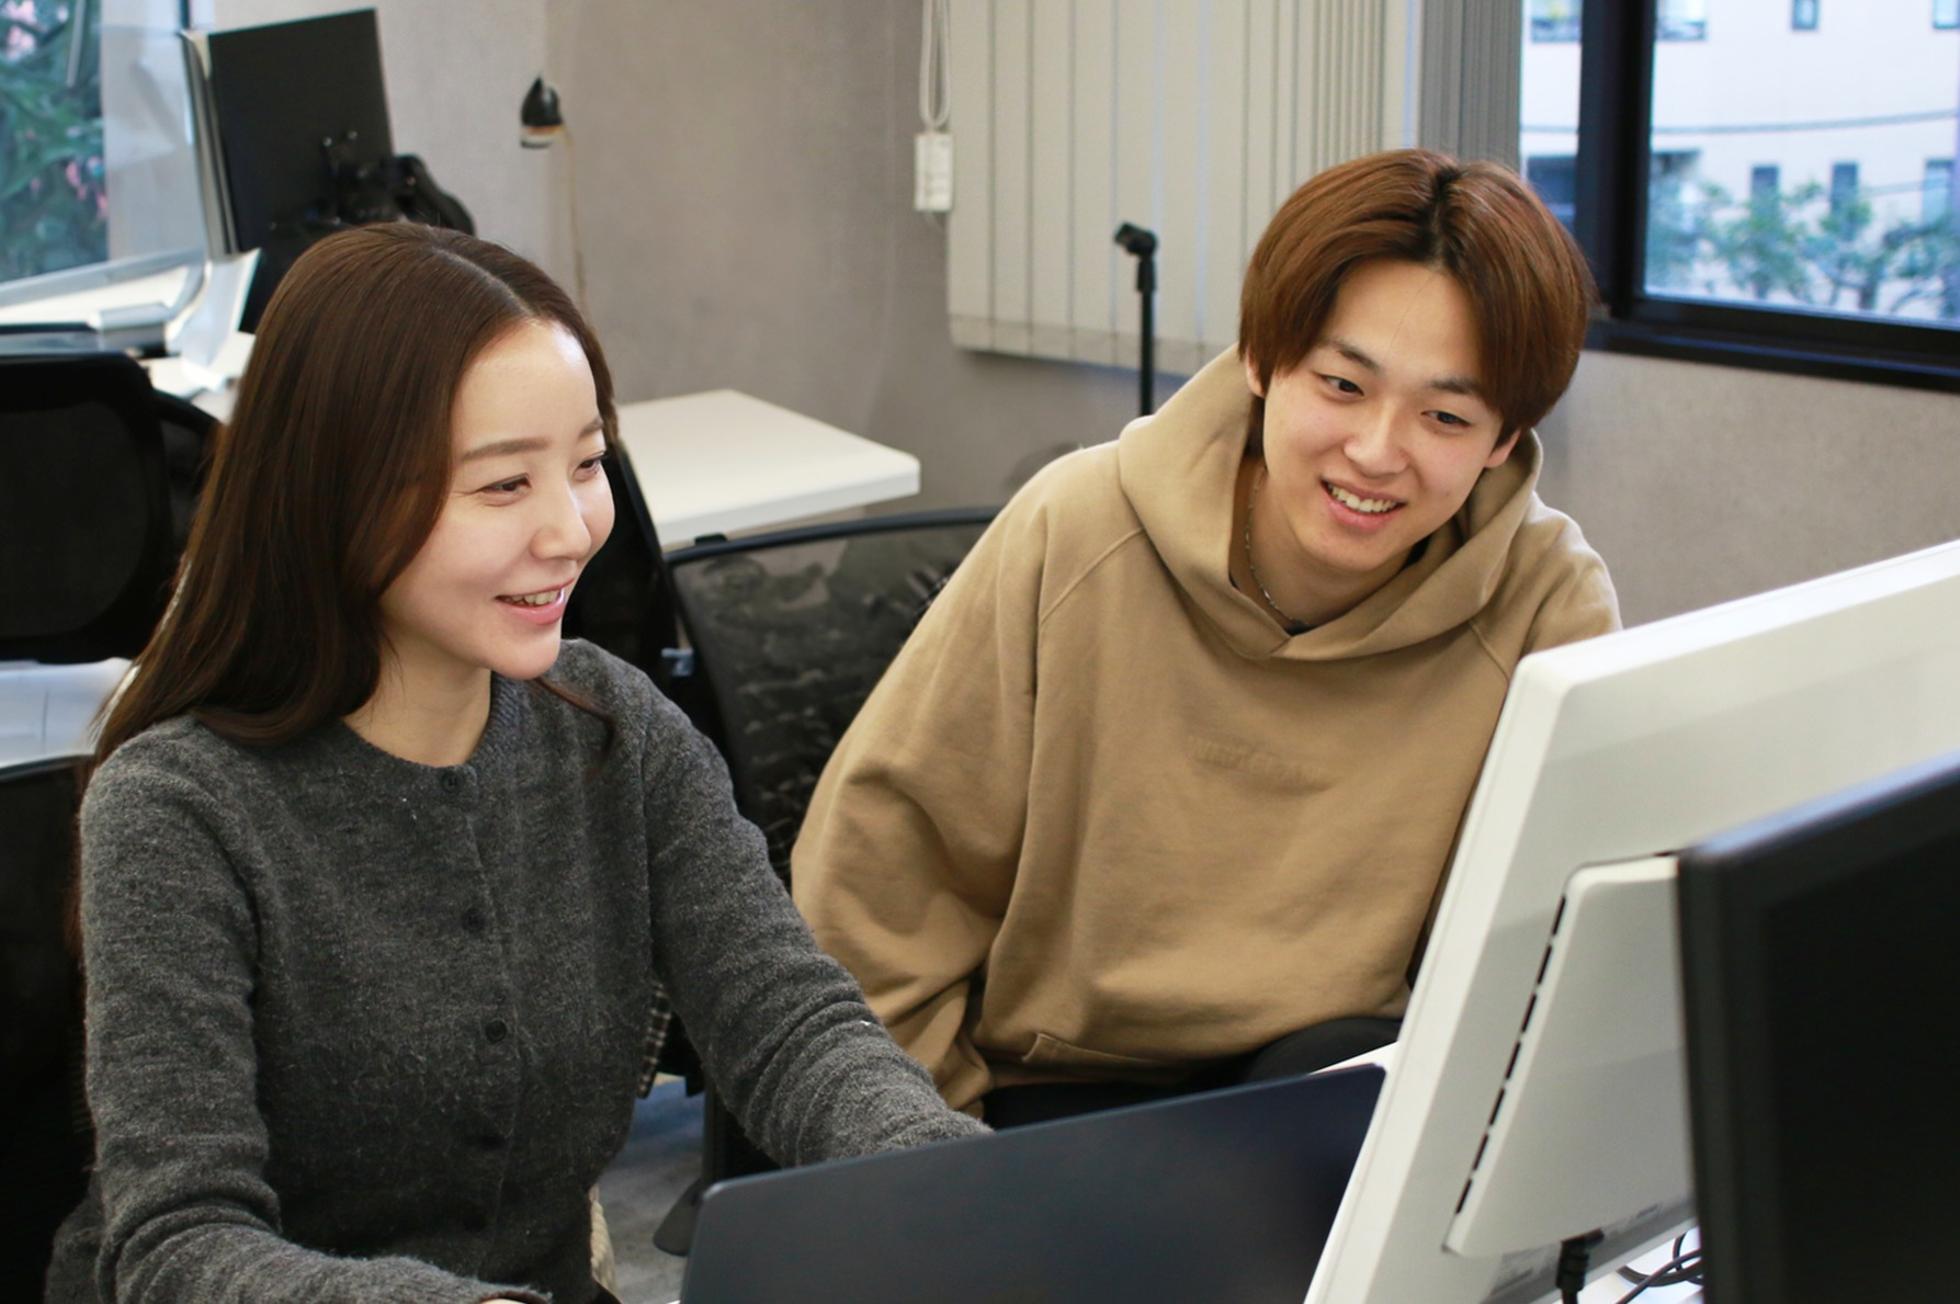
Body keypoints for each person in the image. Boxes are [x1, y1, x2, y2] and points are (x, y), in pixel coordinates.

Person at [44, 223, 985, 1304]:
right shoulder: (177, 810)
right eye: (502, 486)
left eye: (586, 464)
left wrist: (955, 1186)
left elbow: (788, 1026)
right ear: (338, 495)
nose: (571, 530)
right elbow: (178, 1243)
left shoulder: (612, 727)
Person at [791, 149, 1621, 1124]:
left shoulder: (1545, 603)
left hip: (1342, 1105)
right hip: (1045, 1102)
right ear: (1261, 360)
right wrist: (938, 1155)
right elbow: (875, 890)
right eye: (1342, 385)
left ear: (1503, 438)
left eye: (1444, 414)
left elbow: (1556, 956)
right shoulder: (1076, 530)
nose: (1376, 451)